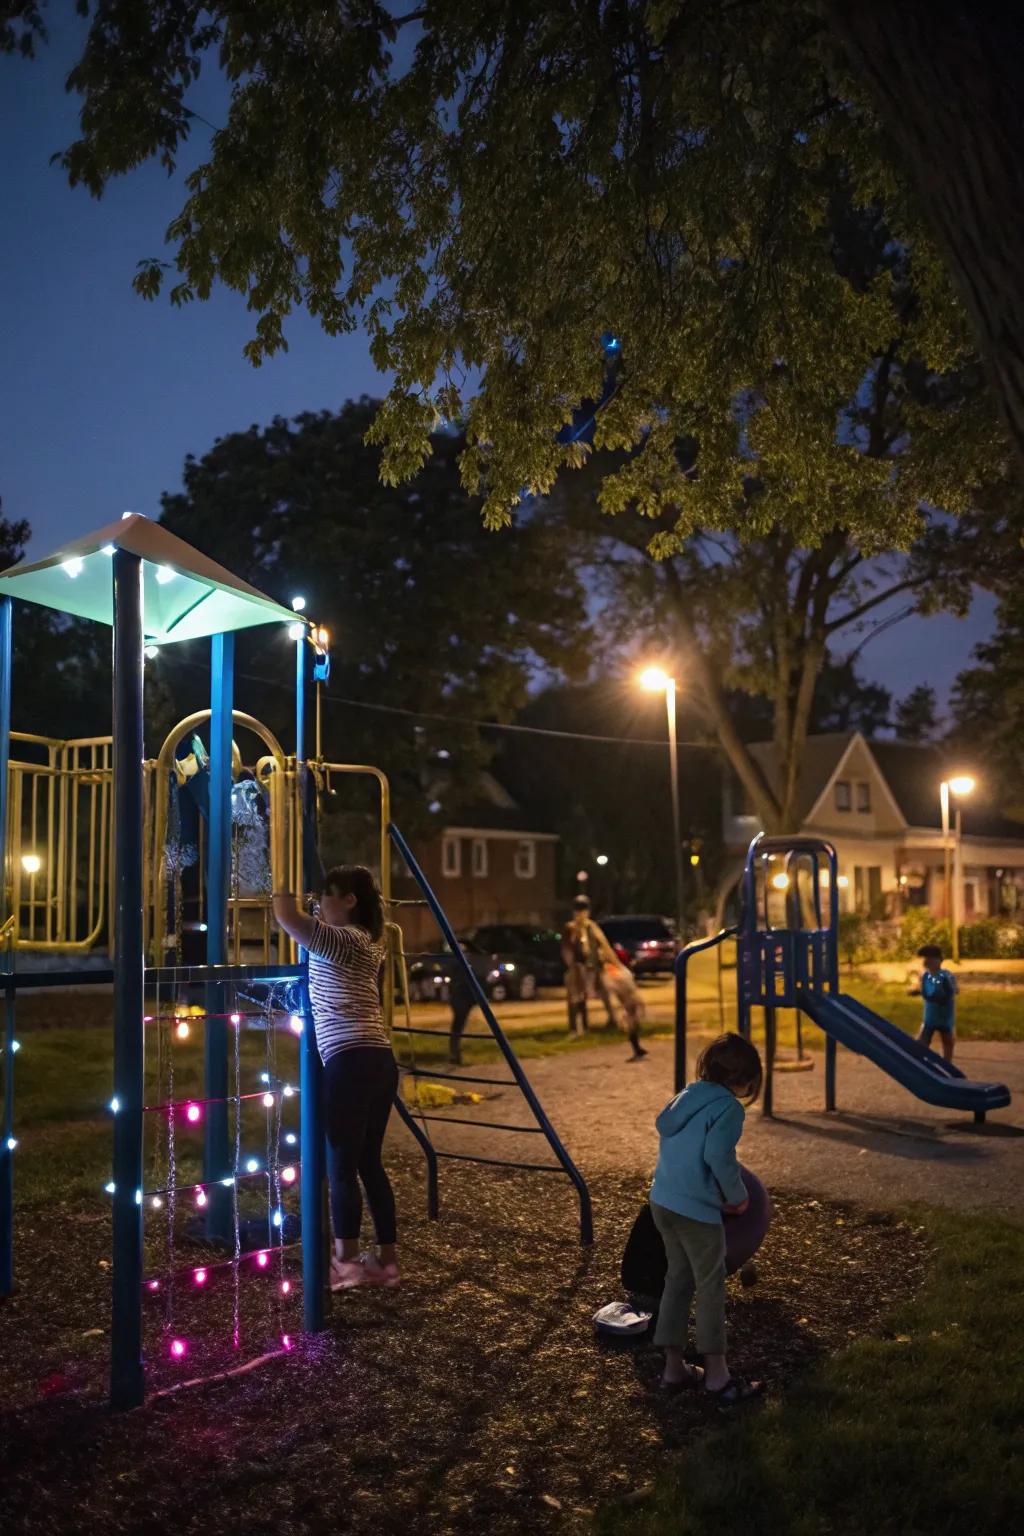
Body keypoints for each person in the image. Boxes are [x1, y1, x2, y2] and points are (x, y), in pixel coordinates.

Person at [273, 865, 400, 1291]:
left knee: (341, 1166)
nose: (319, 904)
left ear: (349, 900)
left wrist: (281, 883)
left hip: (349, 1059)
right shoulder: (370, 941)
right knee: (369, 1163)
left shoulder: (343, 939)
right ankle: (386, 1262)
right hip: (379, 1059)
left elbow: (288, 918)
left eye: (326, 895)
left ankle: (345, 1263)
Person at [649, 1032, 765, 1404]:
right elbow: (718, 1156)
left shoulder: (687, 1095)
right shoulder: (729, 1108)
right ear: (746, 1078)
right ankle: (717, 1376)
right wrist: (737, 1197)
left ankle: (673, 1368)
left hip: (662, 1201)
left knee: (677, 1280)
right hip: (696, 1210)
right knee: (711, 1286)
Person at [560, 895, 618, 1035]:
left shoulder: (591, 926)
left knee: (602, 991)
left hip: (592, 966)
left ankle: (609, 1020)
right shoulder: (570, 927)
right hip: (577, 966)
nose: (581, 914)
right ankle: (575, 1028)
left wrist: (612, 961)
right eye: (579, 911)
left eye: (583, 910)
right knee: (575, 996)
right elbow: (567, 948)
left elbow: (602, 943)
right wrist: (571, 964)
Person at [913, 943, 958, 1062]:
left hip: (944, 1016)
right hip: (930, 1016)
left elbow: (951, 991)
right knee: (923, 1040)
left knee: (947, 1041)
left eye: (931, 959)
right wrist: (918, 991)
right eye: (926, 959)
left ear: (939, 960)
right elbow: (926, 992)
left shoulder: (945, 975)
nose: (928, 962)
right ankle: (919, 1061)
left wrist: (946, 990)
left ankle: (948, 1064)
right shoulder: (925, 976)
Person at [601, 956, 649, 1061]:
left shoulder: (617, 977)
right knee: (632, 1026)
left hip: (629, 1002)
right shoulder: (621, 974)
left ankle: (637, 1050)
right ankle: (638, 1049)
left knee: (631, 1026)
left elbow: (619, 991)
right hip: (630, 1001)